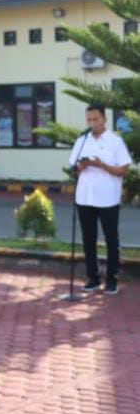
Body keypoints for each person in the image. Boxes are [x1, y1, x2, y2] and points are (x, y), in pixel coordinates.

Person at [69, 104, 131, 294]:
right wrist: (82, 166)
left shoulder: (115, 141)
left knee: (112, 240)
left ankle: (112, 280)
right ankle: (93, 278)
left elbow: (123, 170)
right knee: (88, 240)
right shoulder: (82, 140)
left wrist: (101, 165)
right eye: (89, 120)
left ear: (104, 119)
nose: (92, 123)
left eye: (95, 119)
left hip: (108, 199)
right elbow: (74, 166)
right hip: (85, 198)